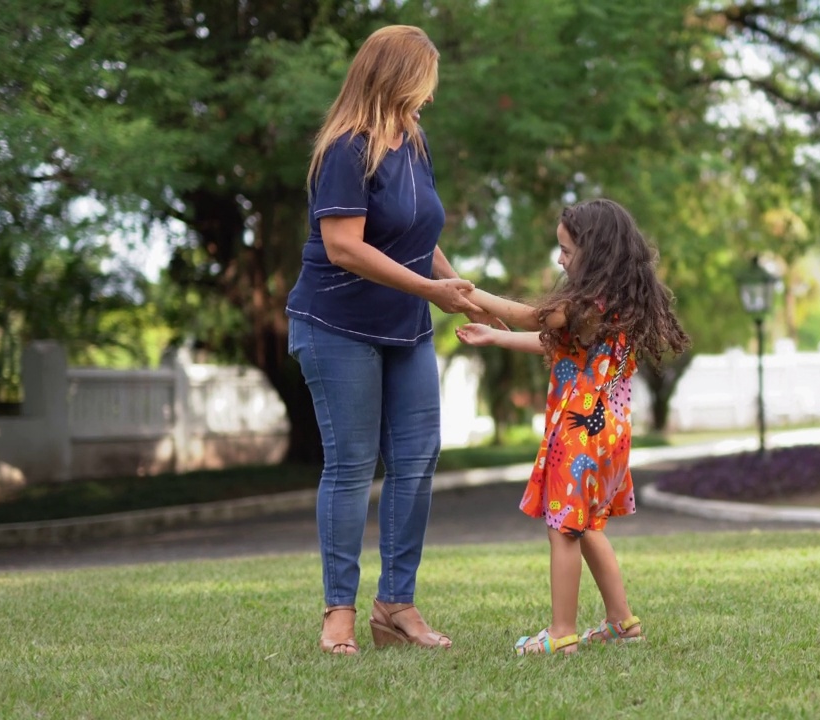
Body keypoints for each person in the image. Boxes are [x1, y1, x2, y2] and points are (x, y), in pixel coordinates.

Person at [285, 25, 496, 655]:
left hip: (405, 327)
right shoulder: (346, 149)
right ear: (398, 76)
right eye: (425, 80)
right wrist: (433, 293)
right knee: (352, 467)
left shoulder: (413, 140)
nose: (430, 96)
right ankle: (338, 616)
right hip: (335, 324)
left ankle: (396, 606)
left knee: (417, 459)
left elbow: (416, 236)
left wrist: (461, 288)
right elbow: (343, 246)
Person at [455, 198, 691, 654]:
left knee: (563, 528)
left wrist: (469, 295)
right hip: (612, 434)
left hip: (580, 430)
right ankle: (622, 622)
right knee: (587, 526)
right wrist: (492, 334)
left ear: (594, 250)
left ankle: (561, 633)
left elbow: (535, 318)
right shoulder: (617, 304)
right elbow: (551, 340)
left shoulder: (586, 303)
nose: (560, 258)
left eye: (566, 250)